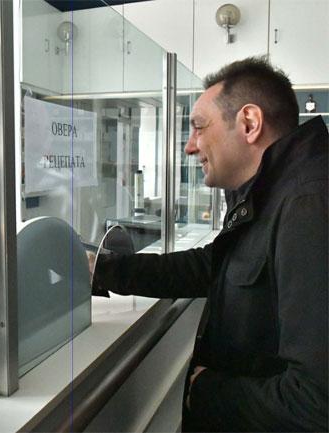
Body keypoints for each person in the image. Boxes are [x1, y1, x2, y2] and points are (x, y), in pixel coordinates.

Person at [92, 57, 328, 431]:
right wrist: (102, 269)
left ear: (249, 123)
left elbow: (316, 403)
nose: (190, 146)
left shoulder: (309, 205)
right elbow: (213, 265)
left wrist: (204, 390)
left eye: (199, 127)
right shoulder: (274, 194)